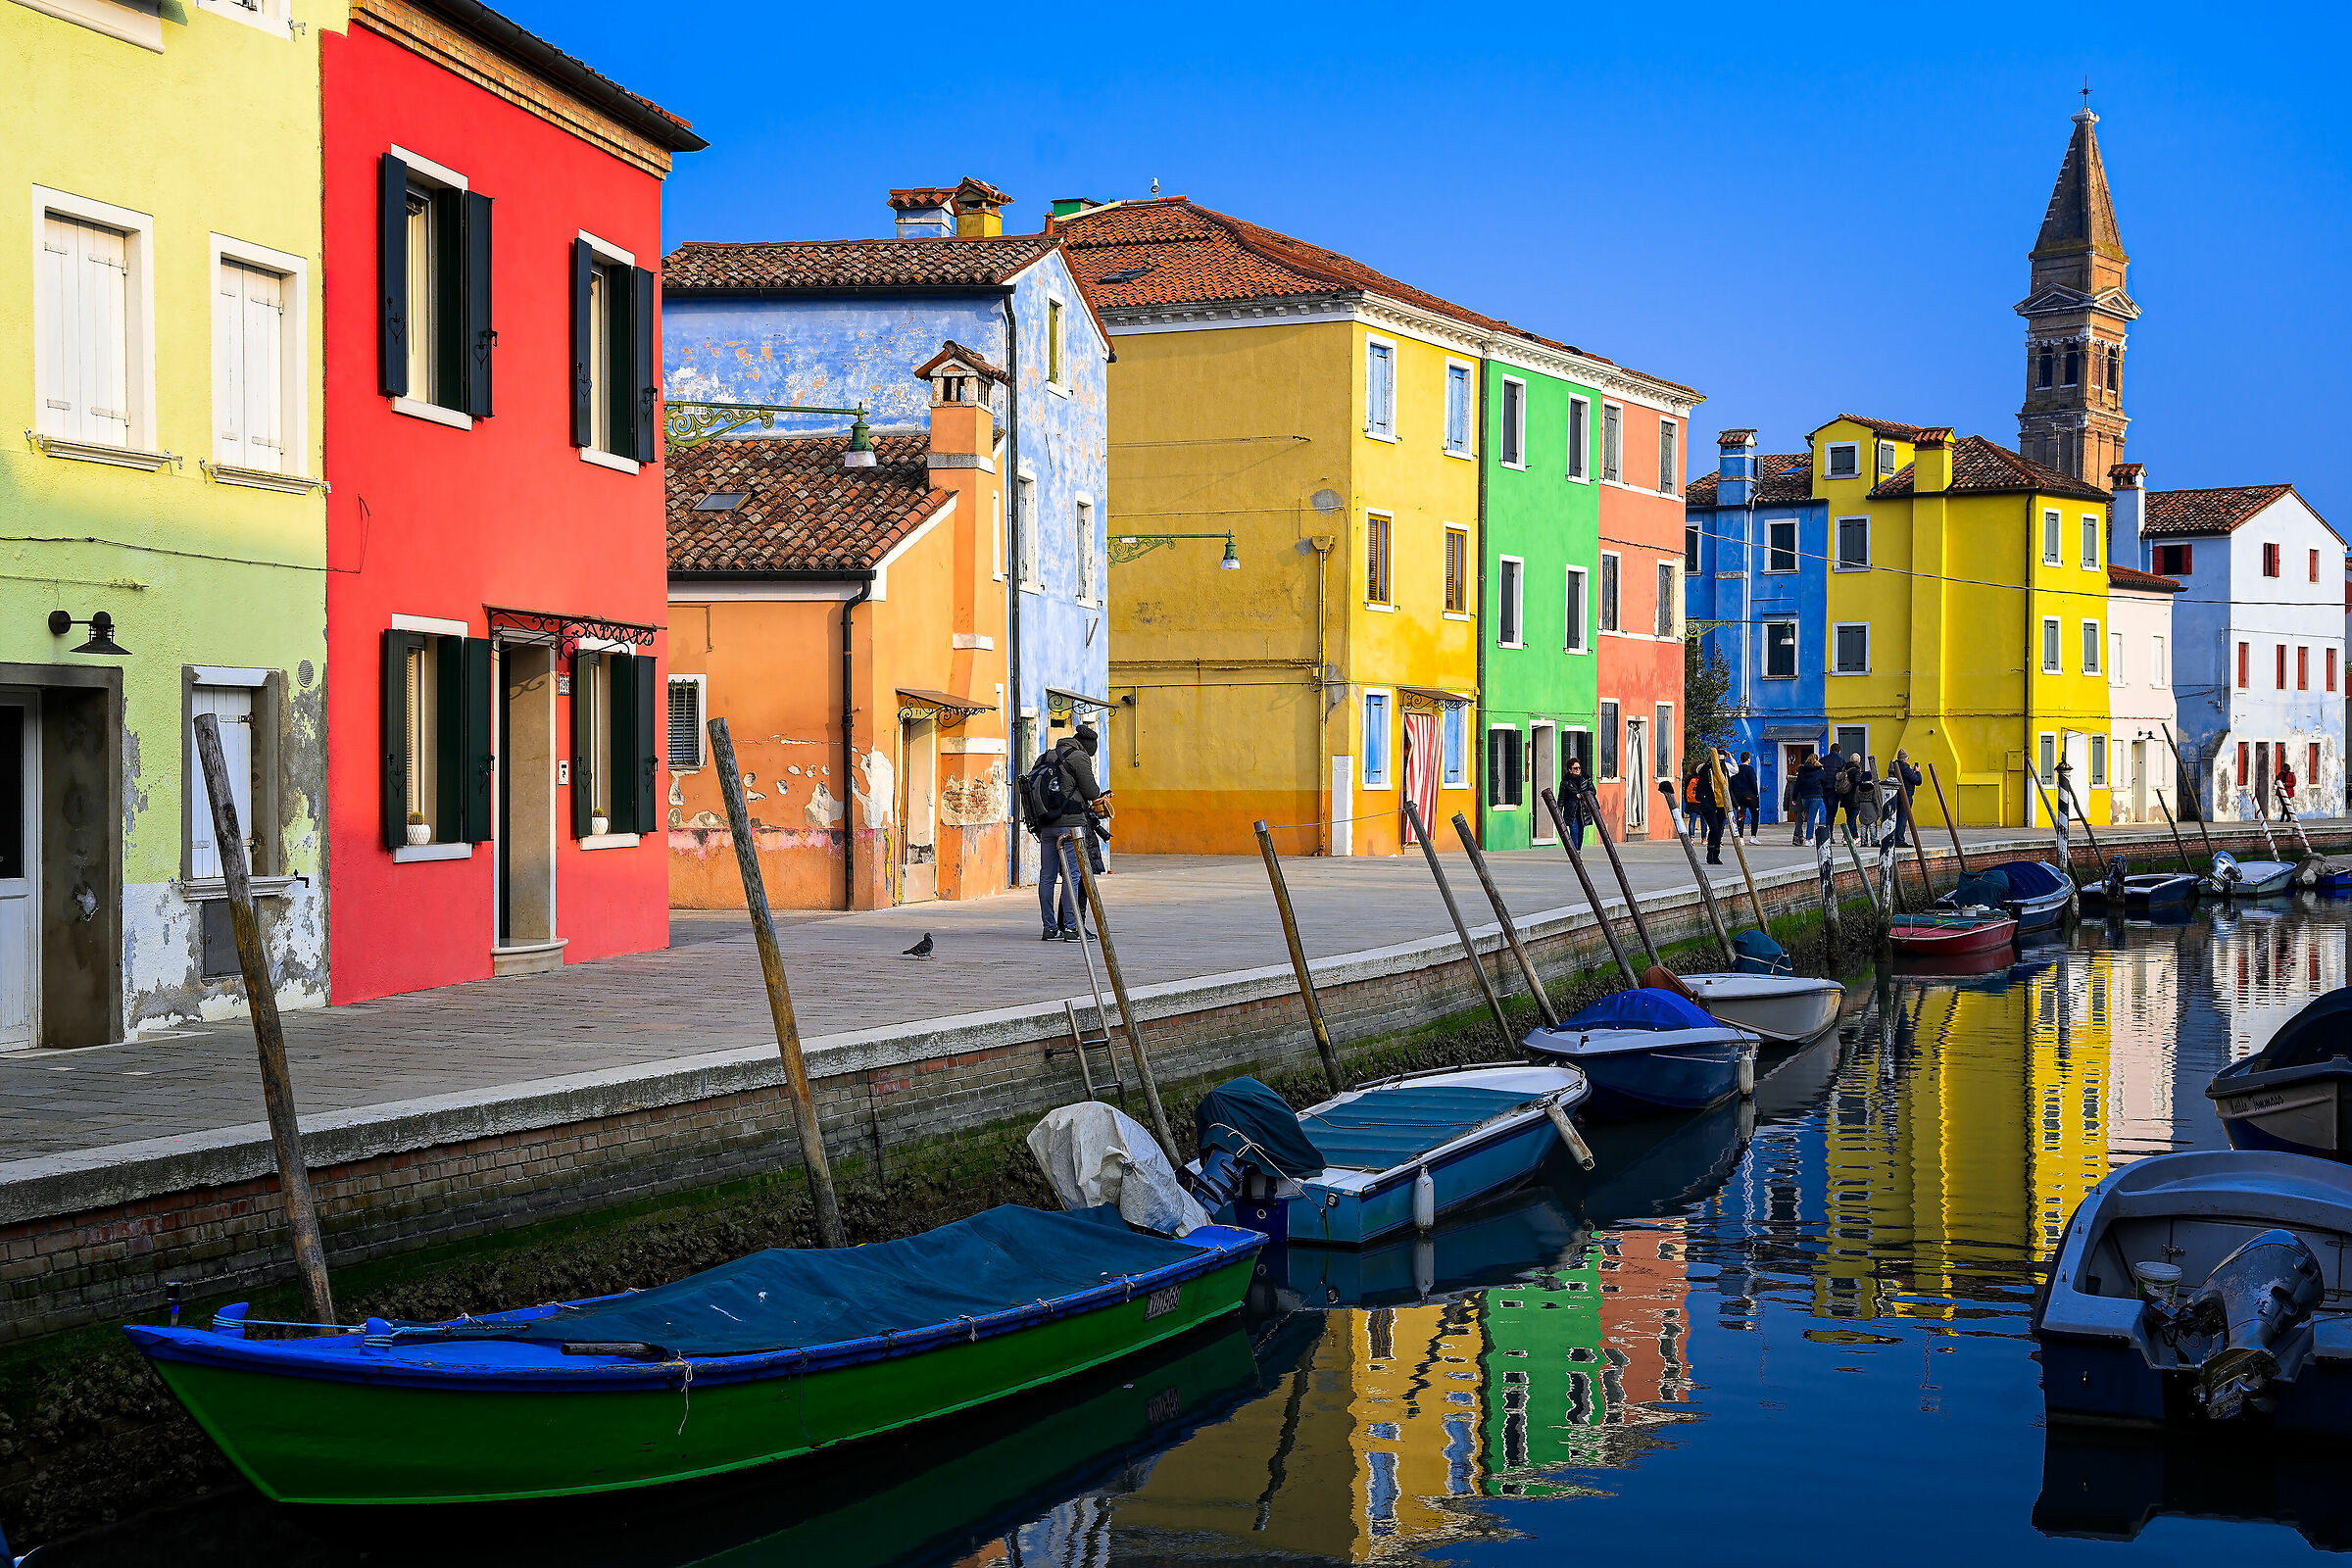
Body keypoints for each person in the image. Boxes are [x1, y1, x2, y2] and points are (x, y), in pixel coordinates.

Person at [1026, 724, 1108, 941]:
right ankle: (1071, 928)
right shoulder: (1079, 757)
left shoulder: (1046, 757)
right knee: (1072, 876)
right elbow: (1091, 792)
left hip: (1046, 825)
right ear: (1088, 746)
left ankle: (1049, 927)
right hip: (1071, 825)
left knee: (1047, 876)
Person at [1888, 750, 1923, 847]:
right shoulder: (1906, 769)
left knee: (1896, 817)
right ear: (1905, 759)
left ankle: (1894, 839)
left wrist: (1911, 771)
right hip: (1906, 795)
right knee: (1903, 818)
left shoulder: (1895, 767)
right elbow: (1918, 781)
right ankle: (1899, 840)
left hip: (1896, 795)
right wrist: (1917, 772)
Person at [1791, 751, 1824, 843]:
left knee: (1809, 816)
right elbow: (1824, 781)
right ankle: (1809, 838)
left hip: (1805, 797)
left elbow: (1797, 785)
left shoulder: (1802, 771)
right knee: (1811, 818)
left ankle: (1807, 838)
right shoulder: (1819, 770)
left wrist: (1794, 798)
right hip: (1816, 796)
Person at [1560, 756, 1592, 847]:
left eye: (1579, 768)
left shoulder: (1586, 779)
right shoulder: (1565, 782)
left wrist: (1582, 795)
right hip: (1571, 810)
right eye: (1575, 768)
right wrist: (1559, 811)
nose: (1577, 769)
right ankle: (1575, 852)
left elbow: (1592, 791)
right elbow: (1561, 798)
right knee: (1574, 830)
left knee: (1581, 831)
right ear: (1570, 769)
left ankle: (1578, 850)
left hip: (1583, 809)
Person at [1730, 751, 1761, 842]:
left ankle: (1741, 837)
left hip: (1738, 796)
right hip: (1750, 795)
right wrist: (1756, 794)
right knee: (1755, 815)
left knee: (1740, 815)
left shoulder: (1736, 769)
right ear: (1748, 759)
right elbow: (1753, 782)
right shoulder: (1750, 769)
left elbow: (1732, 783)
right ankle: (1753, 836)